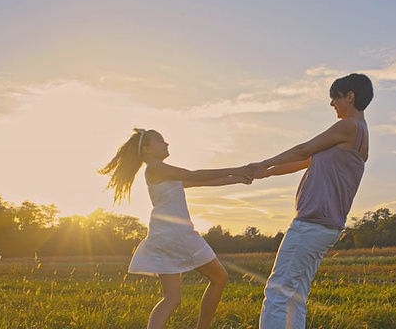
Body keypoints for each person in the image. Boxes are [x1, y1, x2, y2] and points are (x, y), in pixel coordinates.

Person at [251, 73, 374, 328]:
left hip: (311, 224)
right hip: (327, 227)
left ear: (350, 96)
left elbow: (303, 149)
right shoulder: (361, 136)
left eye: (335, 98)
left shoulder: (349, 126)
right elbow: (305, 161)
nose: (332, 104)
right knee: (296, 296)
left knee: (276, 294)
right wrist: (269, 172)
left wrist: (262, 162)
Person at [98, 128, 253, 329]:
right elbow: (194, 175)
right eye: (161, 141)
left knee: (172, 298)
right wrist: (238, 168)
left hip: (162, 236)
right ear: (147, 149)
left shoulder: (162, 173)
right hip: (177, 234)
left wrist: (237, 178)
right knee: (219, 278)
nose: (167, 143)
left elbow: (202, 182)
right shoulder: (155, 168)